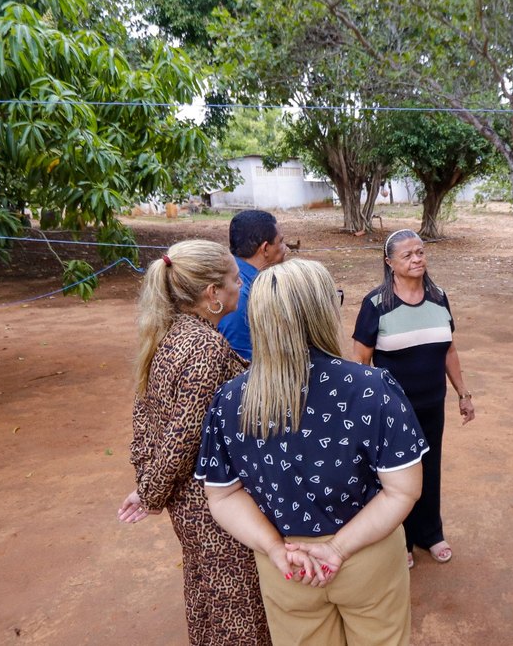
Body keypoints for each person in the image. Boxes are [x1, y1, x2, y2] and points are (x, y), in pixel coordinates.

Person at [195, 259, 425, 646]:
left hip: (285, 564)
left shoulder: (230, 400)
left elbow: (222, 494)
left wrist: (273, 549)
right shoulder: (371, 387)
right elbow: (403, 490)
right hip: (365, 555)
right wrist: (336, 548)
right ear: (321, 312)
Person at [117, 239, 270, 645]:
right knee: (237, 606)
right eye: (236, 280)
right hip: (211, 504)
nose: (243, 287)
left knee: (207, 592)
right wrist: (150, 493)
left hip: (187, 503)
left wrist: (147, 485)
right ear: (212, 294)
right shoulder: (206, 347)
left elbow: (145, 419)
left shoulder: (168, 334)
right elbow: (184, 435)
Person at [352, 229, 475, 568]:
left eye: (420, 252)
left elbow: (449, 349)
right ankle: (402, 539)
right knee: (396, 476)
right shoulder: (376, 304)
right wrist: (366, 406)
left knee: (430, 469)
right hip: (392, 412)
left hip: (433, 405)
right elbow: (361, 360)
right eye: (407, 255)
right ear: (390, 262)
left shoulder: (438, 297)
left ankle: (430, 533)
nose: (417, 258)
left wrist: (463, 394)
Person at [218, 209, 288, 360]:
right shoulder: (239, 296)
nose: (285, 248)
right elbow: (243, 362)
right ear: (265, 249)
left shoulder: (242, 280)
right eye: (281, 242)